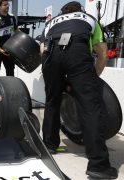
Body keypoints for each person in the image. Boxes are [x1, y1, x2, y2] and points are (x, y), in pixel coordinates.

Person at [39, 1, 117, 179]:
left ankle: (49, 145)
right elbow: (102, 52)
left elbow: (42, 49)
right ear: (79, 10)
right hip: (77, 53)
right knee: (90, 107)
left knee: (52, 101)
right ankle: (98, 165)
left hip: (51, 56)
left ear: (63, 12)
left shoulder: (52, 22)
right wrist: (93, 76)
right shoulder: (88, 18)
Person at [0, 0, 19, 78]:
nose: (7, 6)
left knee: (10, 72)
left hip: (9, 49)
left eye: (8, 4)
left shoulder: (12, 17)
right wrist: (0, 49)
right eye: (5, 5)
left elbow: (16, 30)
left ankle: (11, 89)